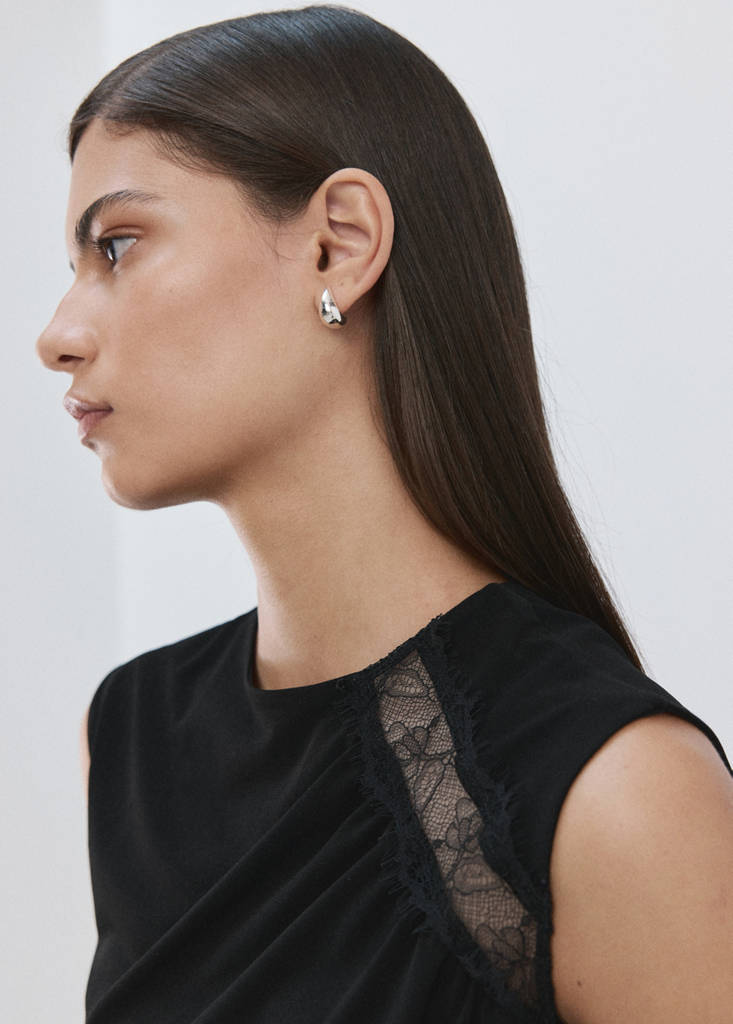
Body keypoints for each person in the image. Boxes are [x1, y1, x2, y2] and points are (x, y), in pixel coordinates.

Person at [35, 6, 732, 1023]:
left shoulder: (615, 790)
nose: (57, 336)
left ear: (340, 245)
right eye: (75, 268)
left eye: (119, 245)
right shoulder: (133, 738)